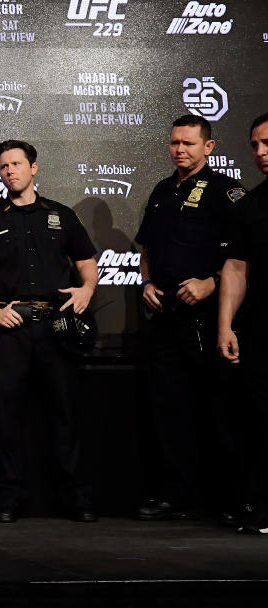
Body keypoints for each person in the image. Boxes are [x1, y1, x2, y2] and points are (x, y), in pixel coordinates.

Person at [0, 140, 97, 524]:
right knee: (6, 418)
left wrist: (86, 290)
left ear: (33, 168)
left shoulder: (62, 216)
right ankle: (6, 499)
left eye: (16, 164)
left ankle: (77, 499)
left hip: (57, 327)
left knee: (66, 415)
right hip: (10, 329)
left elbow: (87, 264)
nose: (10, 171)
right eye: (3, 167)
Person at [134, 115, 247, 522]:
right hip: (165, 318)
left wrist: (211, 283)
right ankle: (176, 496)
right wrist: (145, 281)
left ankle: (234, 500)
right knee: (168, 410)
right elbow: (145, 247)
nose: (180, 150)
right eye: (175, 143)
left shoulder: (226, 192)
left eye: (189, 143)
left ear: (208, 148)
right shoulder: (163, 190)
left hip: (209, 319)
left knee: (219, 411)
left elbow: (244, 255)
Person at [218, 111, 268, 535]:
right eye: (254, 145)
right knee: (259, 421)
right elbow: (235, 268)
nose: (260, 153)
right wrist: (225, 325)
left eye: (267, 142)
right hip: (260, 328)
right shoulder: (251, 204)